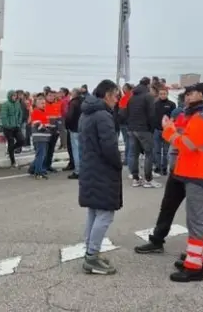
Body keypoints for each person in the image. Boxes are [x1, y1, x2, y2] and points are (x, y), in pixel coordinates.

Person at [134, 83, 203, 283]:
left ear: (202, 96)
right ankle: (199, 259)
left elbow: (187, 144)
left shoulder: (201, 118)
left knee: (196, 221)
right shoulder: (198, 116)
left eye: (192, 93)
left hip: (198, 173)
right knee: (200, 219)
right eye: (187, 93)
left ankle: (194, 267)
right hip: (194, 172)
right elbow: (186, 138)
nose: (187, 96)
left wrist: (168, 129)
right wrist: (172, 128)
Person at [78, 79, 123, 275]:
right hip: (103, 169)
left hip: (89, 166)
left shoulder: (86, 113)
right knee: (105, 214)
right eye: (116, 96)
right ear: (107, 95)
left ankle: (90, 250)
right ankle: (92, 256)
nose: (117, 100)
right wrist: (118, 163)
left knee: (94, 212)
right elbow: (109, 146)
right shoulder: (103, 115)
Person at [126, 77, 159, 188]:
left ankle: (135, 179)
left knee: (134, 154)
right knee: (149, 153)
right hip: (143, 129)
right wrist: (151, 128)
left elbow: (127, 112)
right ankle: (148, 179)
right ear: (148, 85)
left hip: (131, 128)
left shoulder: (132, 97)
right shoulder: (148, 96)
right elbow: (151, 114)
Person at [153, 87, 177, 176]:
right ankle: (158, 167)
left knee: (166, 151)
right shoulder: (155, 104)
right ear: (158, 94)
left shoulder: (172, 104)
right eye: (161, 94)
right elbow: (152, 116)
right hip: (157, 130)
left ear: (167, 94)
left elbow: (174, 118)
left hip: (167, 131)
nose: (162, 95)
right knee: (157, 150)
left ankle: (164, 168)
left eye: (164, 94)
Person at [29, 96, 51, 179]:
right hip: (39, 137)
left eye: (44, 103)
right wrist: (47, 128)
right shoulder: (36, 112)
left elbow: (45, 124)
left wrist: (49, 127)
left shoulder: (44, 112)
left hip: (44, 137)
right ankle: (38, 172)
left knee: (42, 154)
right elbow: (39, 126)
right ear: (37, 104)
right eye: (42, 103)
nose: (44, 105)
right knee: (40, 155)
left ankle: (32, 168)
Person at [0, 90, 23, 168]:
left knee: (22, 140)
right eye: (13, 96)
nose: (15, 97)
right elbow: (3, 116)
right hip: (8, 128)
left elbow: (20, 114)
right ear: (10, 96)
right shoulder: (5, 104)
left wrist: (19, 123)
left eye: (15, 95)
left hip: (16, 126)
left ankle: (10, 150)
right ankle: (13, 162)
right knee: (11, 142)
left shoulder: (17, 104)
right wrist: (8, 125)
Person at [66, 89, 83, 180]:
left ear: (74, 94)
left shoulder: (73, 103)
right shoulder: (84, 102)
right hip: (83, 128)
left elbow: (69, 116)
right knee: (83, 150)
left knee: (76, 150)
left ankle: (78, 171)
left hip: (74, 128)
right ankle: (84, 169)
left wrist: (67, 126)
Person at [118, 83, 133, 164]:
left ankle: (127, 159)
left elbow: (122, 112)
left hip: (124, 123)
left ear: (127, 89)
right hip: (131, 122)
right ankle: (130, 158)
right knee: (130, 141)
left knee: (127, 141)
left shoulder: (125, 98)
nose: (123, 90)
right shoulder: (133, 97)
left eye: (124, 88)